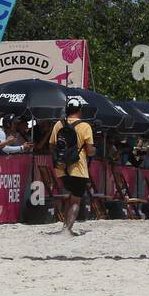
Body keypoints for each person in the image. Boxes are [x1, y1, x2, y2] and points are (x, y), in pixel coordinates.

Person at [48, 95, 95, 237]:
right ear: (79, 110)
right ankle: (68, 230)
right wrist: (94, 150)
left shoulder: (58, 124)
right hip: (78, 168)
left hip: (61, 167)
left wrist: (61, 157)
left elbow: (51, 146)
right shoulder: (85, 126)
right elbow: (90, 150)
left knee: (69, 197)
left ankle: (64, 227)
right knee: (76, 199)